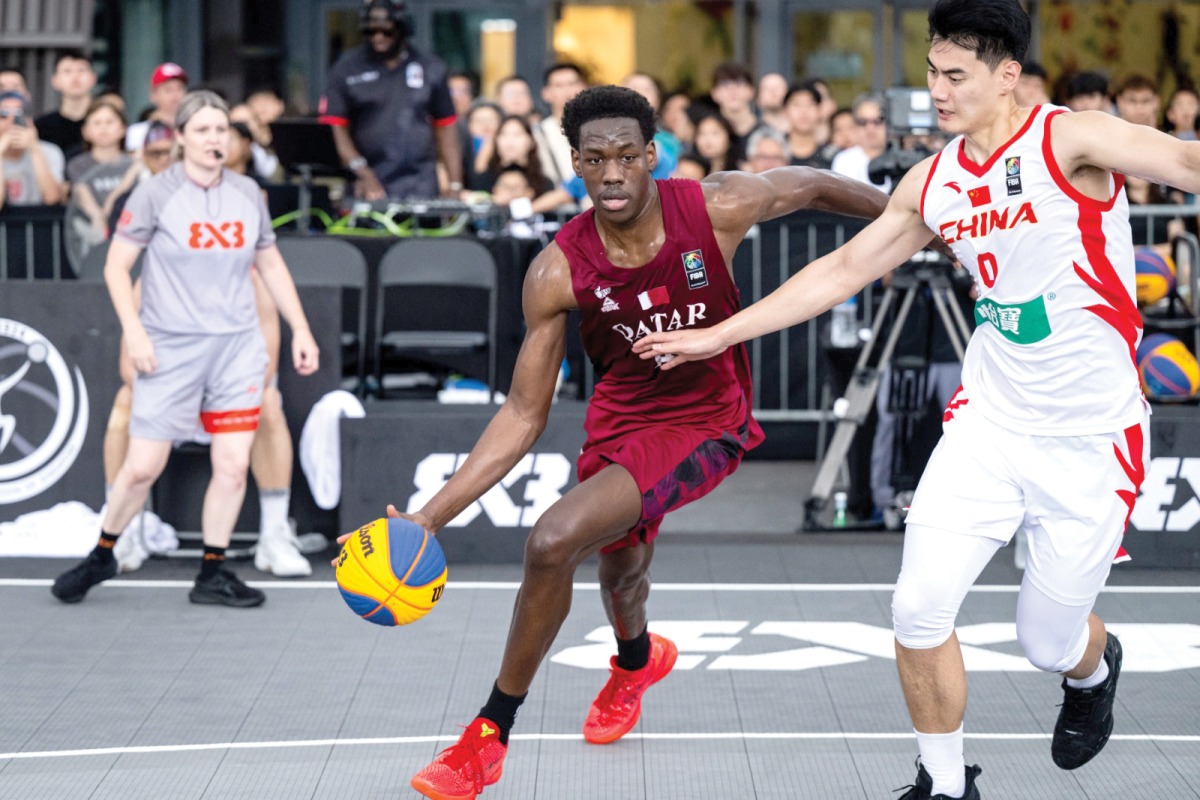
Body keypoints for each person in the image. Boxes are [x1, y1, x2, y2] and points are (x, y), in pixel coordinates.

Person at [635, 1, 1200, 796]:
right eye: (931, 71)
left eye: (956, 75)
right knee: (917, 607)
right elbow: (841, 271)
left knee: (1046, 641)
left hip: (1091, 437)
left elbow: (1185, 161)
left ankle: (1092, 667)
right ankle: (945, 782)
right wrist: (720, 334)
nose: (937, 90)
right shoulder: (933, 183)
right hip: (989, 424)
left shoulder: (1070, 139)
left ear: (1007, 76)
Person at [342, 83, 892, 800]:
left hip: (705, 420)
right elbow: (522, 414)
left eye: (627, 156)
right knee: (620, 573)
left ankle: (487, 737)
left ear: (651, 155)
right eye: (595, 159)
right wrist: (428, 518)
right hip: (620, 418)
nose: (612, 174)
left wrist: (910, 220)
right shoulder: (558, 269)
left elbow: (814, 183)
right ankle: (636, 661)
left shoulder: (718, 206)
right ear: (574, 163)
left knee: (552, 540)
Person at [51, 90, 319, 607]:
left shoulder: (247, 192)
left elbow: (270, 264)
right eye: (202, 130)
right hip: (171, 347)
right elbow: (115, 267)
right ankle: (104, 552)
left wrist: (301, 328)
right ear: (181, 137)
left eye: (221, 130)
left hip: (236, 347)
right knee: (142, 467)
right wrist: (134, 331)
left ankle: (212, 573)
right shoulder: (155, 194)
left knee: (233, 465)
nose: (214, 139)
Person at [319, 0, 462, 200]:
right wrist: (361, 170)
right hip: (367, 181)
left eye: (386, 31)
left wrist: (455, 184)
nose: (378, 37)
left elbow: (446, 127)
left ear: (402, 28)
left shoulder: (430, 67)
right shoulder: (346, 68)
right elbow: (334, 127)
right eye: (371, 32)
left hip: (420, 183)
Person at [64, 99, 132, 269]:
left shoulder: (134, 164)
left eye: (109, 122)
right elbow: (83, 196)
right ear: (85, 131)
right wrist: (100, 221)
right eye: (97, 123)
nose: (103, 128)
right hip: (91, 238)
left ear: (123, 129)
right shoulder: (76, 165)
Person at [0, 90, 66, 208]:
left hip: (38, 218)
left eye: (19, 115)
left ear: (29, 120)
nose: (11, 121)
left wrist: (35, 149)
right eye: (3, 115)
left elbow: (52, 198)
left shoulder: (50, 151)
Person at [36, 50, 97, 159]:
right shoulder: (41, 127)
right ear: (55, 81)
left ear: (93, 78)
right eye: (67, 71)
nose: (75, 76)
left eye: (81, 70)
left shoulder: (106, 124)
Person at [534, 62, 588, 187]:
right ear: (546, 93)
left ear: (584, 88)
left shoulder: (599, 129)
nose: (567, 91)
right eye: (559, 85)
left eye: (572, 83)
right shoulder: (538, 134)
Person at [831, 93, 892, 192]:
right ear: (855, 125)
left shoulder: (900, 159)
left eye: (878, 121)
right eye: (863, 122)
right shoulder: (844, 160)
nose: (870, 128)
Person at [125, 62, 188, 152]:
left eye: (180, 88)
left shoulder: (192, 129)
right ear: (153, 95)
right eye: (168, 90)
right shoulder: (137, 132)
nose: (175, 95)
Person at [784, 81, 831, 168]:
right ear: (786, 110)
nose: (804, 111)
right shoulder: (773, 153)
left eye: (810, 105)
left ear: (819, 110)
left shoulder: (831, 156)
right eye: (797, 105)